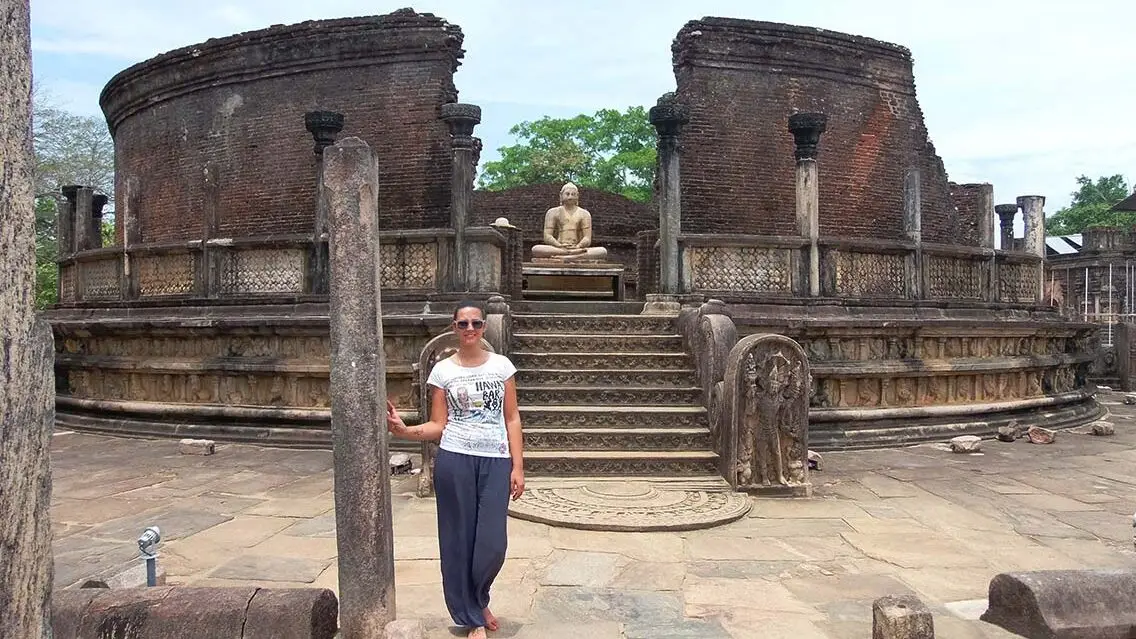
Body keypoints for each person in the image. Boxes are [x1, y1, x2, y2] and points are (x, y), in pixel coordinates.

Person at [386, 301, 524, 639]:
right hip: (455, 458)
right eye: (463, 324)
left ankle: (478, 597)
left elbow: (512, 418)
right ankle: (473, 613)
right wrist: (405, 432)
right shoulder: (443, 372)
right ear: (454, 327)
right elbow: (438, 425)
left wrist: (518, 466)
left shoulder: (502, 366)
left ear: (484, 327)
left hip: (495, 459)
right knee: (458, 540)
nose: (470, 329)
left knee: (492, 544)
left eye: (476, 322)